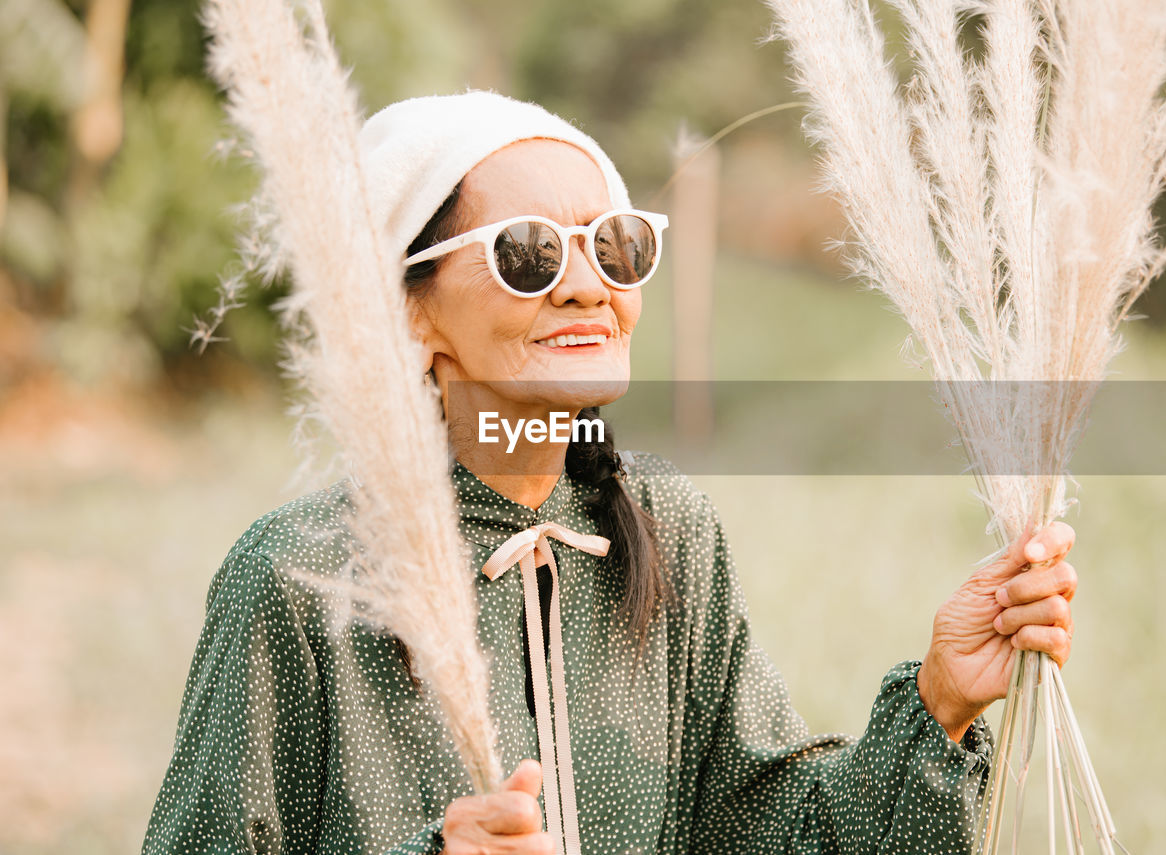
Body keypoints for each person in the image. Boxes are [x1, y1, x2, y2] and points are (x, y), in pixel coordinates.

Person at [142, 91, 1079, 855]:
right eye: (528, 254)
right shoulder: (299, 580)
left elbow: (767, 834)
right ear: (412, 316)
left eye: (616, 245)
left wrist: (941, 699)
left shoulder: (668, 529)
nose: (589, 284)